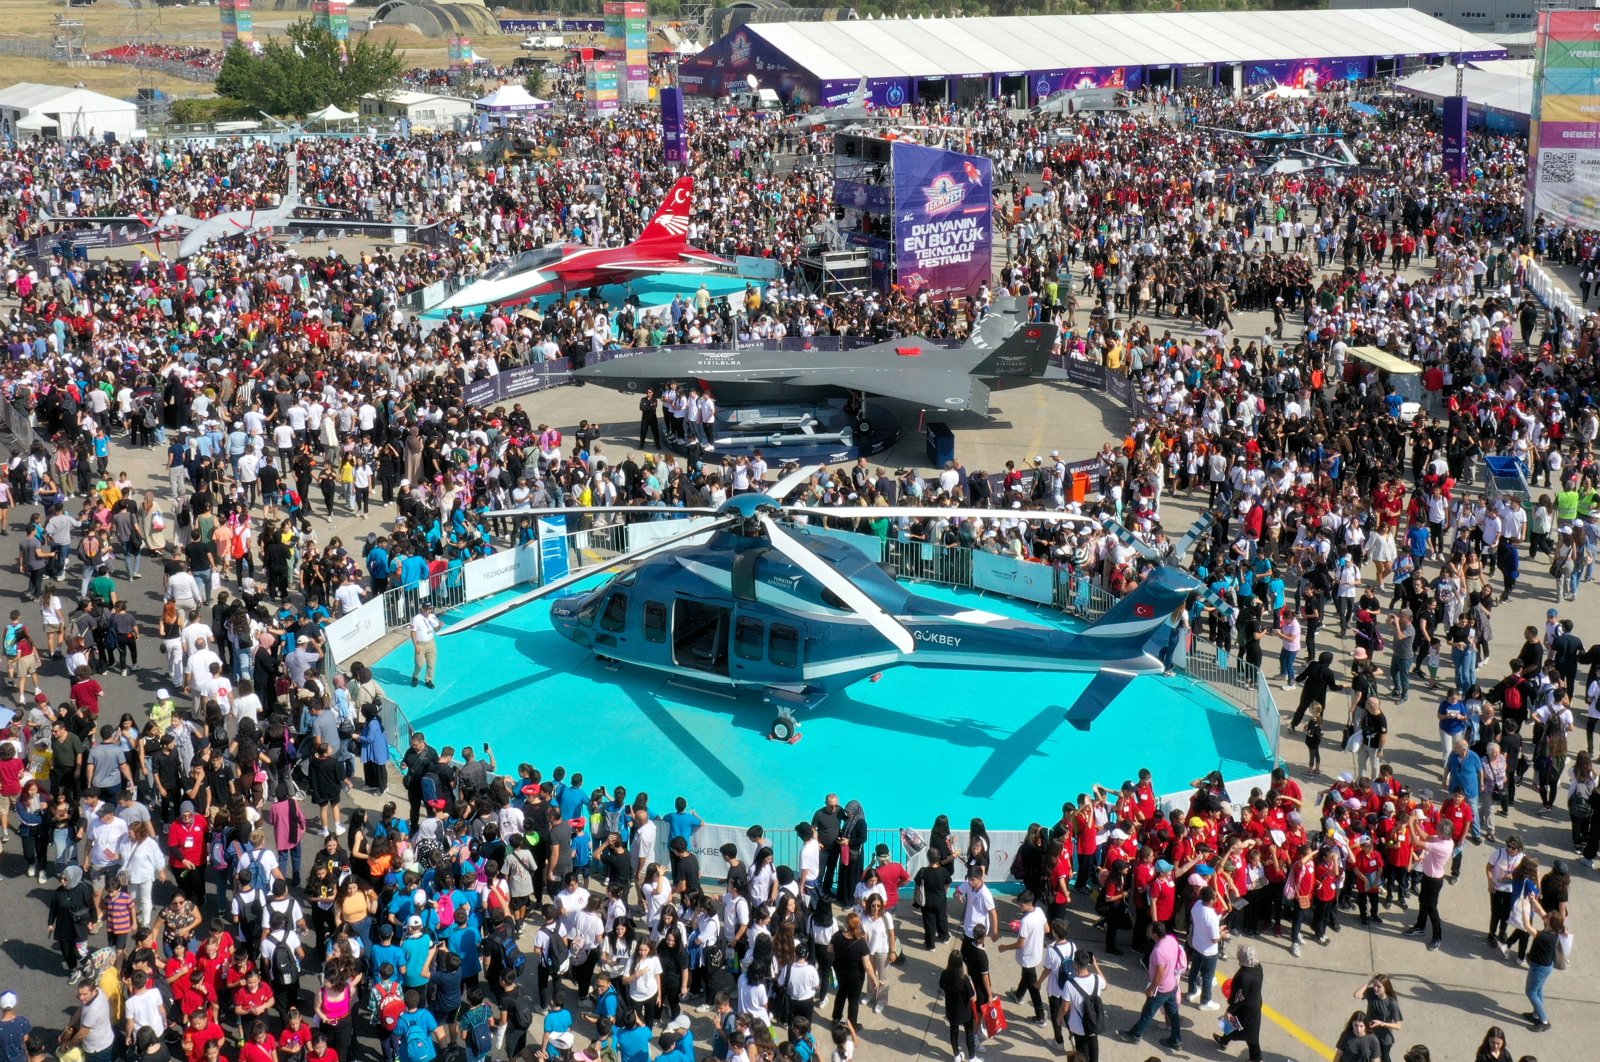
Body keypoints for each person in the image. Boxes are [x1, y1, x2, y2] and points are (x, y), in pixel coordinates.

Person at [1117, 921, 1183, 1051]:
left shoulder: (1159, 951)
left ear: (1154, 934)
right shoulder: (1171, 940)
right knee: (1173, 1013)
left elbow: (1159, 974)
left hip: (1161, 988)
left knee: (1148, 1012)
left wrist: (1151, 989)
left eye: (1150, 930)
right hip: (1172, 985)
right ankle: (1176, 1040)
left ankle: (1135, 1035)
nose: (1148, 931)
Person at [1214, 945, 1263, 1062]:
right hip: (1254, 1005)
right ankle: (1224, 1041)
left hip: (1245, 1009)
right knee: (1248, 1032)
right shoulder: (1257, 966)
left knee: (1249, 1035)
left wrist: (1230, 1010)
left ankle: (1256, 1059)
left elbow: (1239, 996)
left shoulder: (1244, 976)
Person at [1059, 949, 1107, 1062]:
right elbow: (1105, 984)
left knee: (1081, 1055)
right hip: (1094, 1023)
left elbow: (1065, 1007)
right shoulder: (1097, 979)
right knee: (1094, 1046)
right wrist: (1095, 965)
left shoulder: (1069, 984)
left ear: (1075, 964)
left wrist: (1059, 1017)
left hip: (1079, 1027)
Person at [1524, 912, 1565, 1030]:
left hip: (1539, 968)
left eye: (1548, 916)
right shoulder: (1552, 931)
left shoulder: (1545, 936)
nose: (1545, 916)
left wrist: (1523, 907)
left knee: (1531, 992)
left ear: (1550, 922)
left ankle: (1544, 1020)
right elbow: (1541, 911)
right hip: (1545, 967)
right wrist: (1533, 900)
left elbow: (1527, 926)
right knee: (1538, 991)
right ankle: (1536, 1015)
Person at [936, 947, 978, 1062]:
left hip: (951, 1011)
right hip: (965, 1013)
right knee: (969, 1033)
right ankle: (972, 1057)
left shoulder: (945, 974)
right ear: (961, 964)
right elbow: (973, 998)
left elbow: (941, 987)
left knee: (953, 1033)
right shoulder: (964, 980)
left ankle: (956, 1056)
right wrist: (972, 984)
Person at [1356, 975, 1404, 1062]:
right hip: (1370, 1034)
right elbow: (1357, 995)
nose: (1375, 988)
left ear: (1385, 987)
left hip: (1384, 1039)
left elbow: (1398, 1026)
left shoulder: (1391, 1003)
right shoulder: (1371, 993)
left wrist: (1381, 1023)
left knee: (1384, 1058)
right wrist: (1370, 982)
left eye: (1379, 986)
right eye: (1374, 985)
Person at [409, 602, 441, 689]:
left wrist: (440, 626)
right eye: (427, 609)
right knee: (419, 664)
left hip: (431, 642)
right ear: (422, 609)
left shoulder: (432, 616)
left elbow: (436, 629)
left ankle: (428, 680)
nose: (429, 611)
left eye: (430, 609)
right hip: (421, 644)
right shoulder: (416, 619)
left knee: (431, 664)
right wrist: (416, 646)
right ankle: (415, 676)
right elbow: (413, 633)